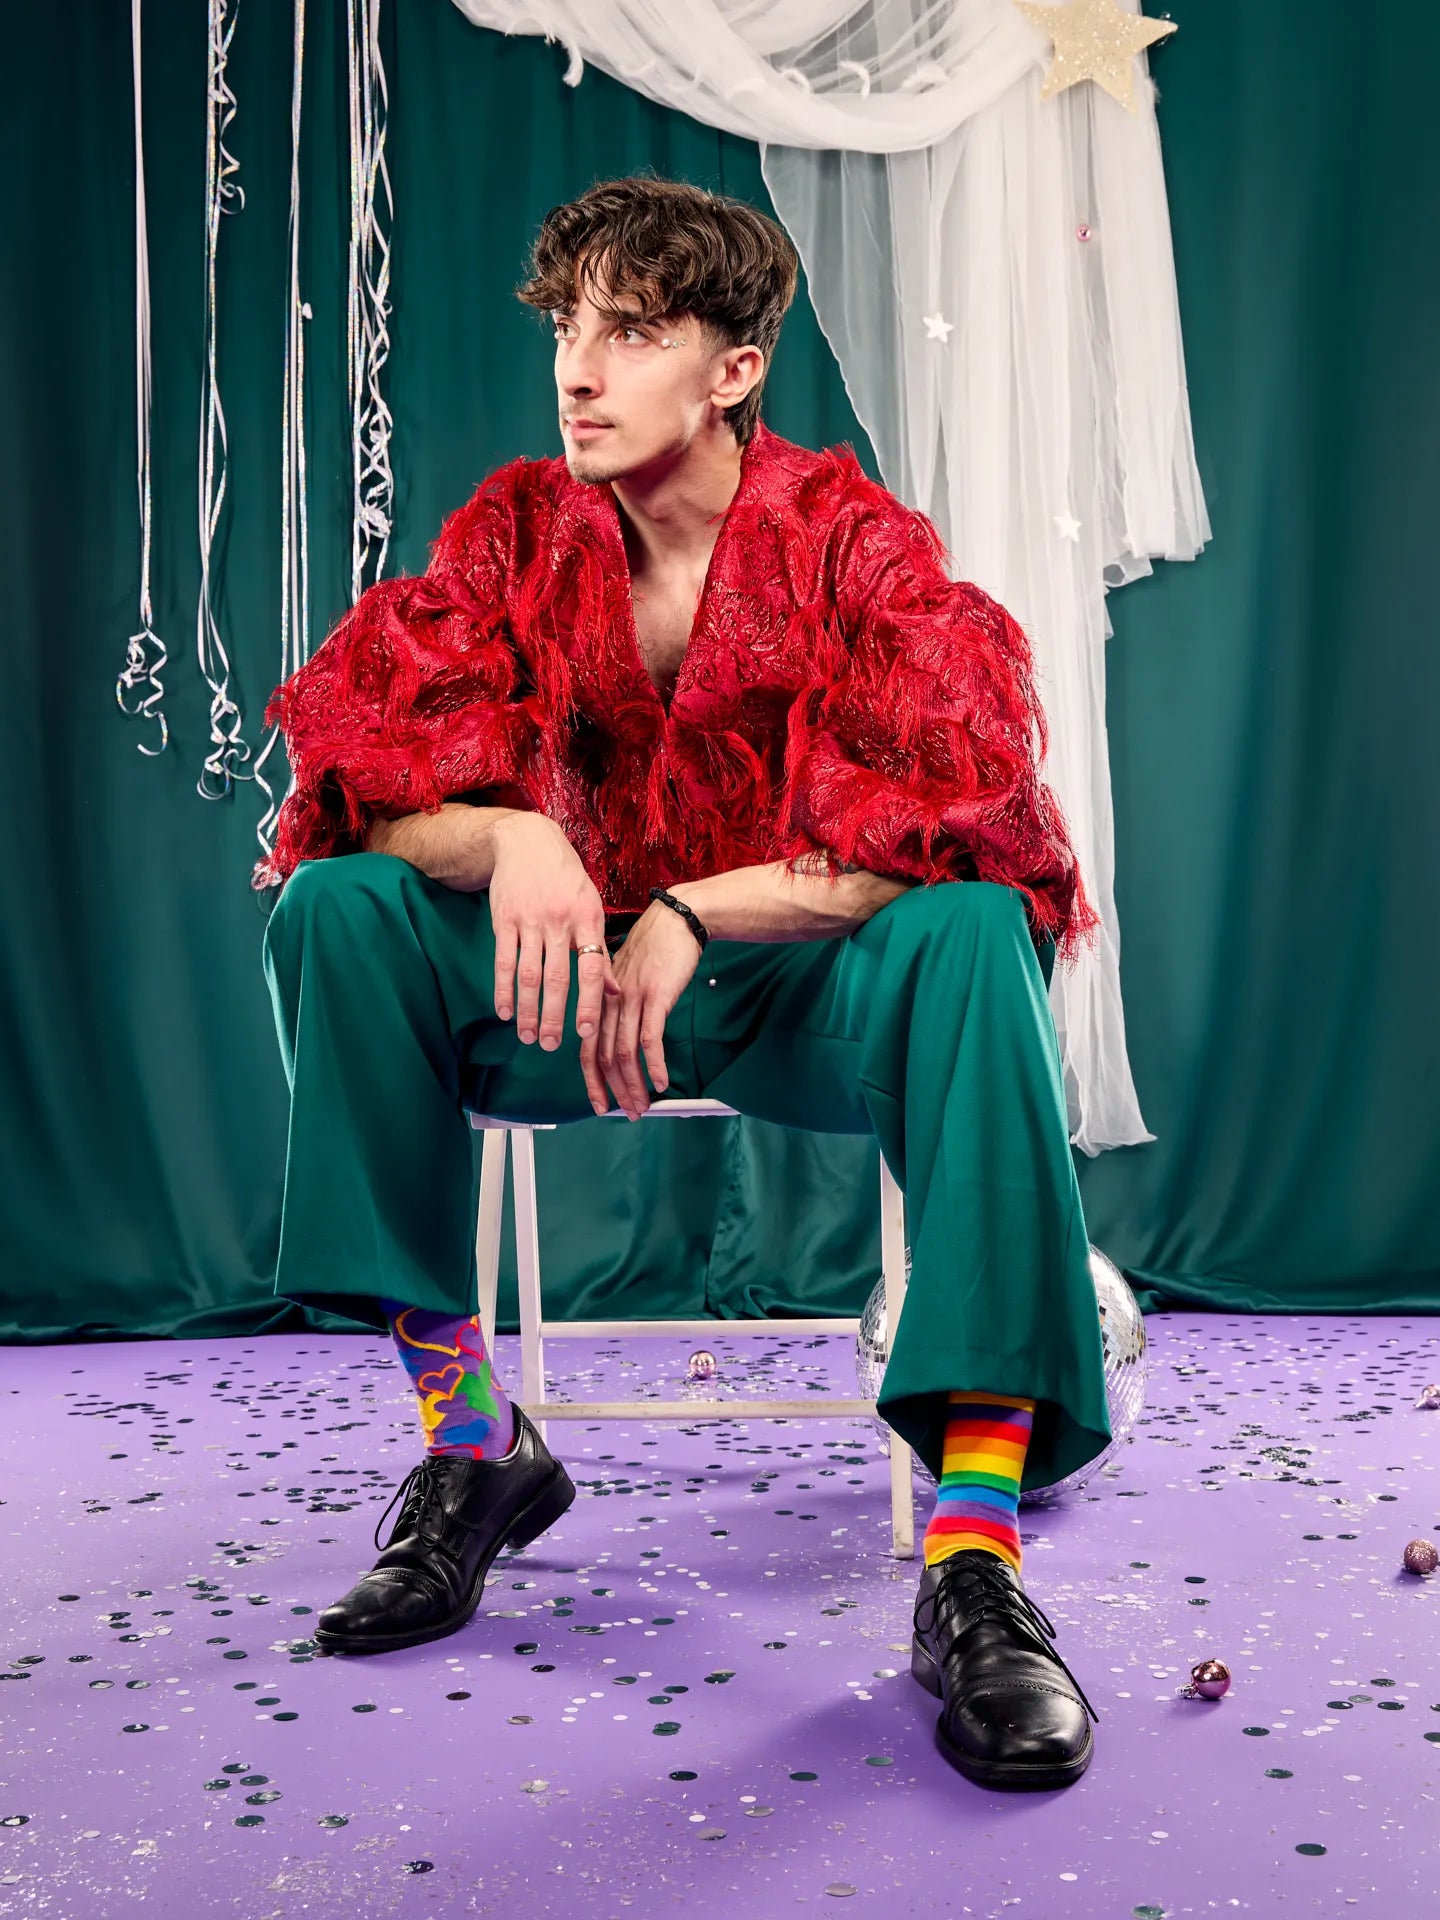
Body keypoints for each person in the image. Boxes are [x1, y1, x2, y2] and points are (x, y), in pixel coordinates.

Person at [256, 173, 1110, 1792]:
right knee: (340, 905)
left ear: (734, 369)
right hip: (563, 994)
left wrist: (697, 912)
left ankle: (974, 1563)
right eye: (568, 330)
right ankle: (473, 1443)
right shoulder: (515, 532)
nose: (579, 372)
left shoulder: (852, 543)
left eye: (633, 333)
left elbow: (966, 812)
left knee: (972, 928)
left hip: (792, 1001)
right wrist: (512, 835)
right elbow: (360, 777)